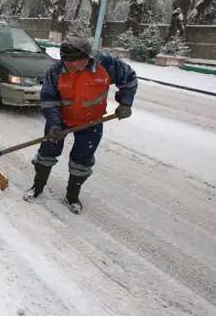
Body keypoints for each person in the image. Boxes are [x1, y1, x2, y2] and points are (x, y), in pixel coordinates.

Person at [23, 36, 138, 214]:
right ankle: (37, 187)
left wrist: (125, 103)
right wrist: (54, 123)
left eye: (75, 60)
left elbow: (129, 79)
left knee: (82, 159)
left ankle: (72, 195)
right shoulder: (56, 71)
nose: (70, 65)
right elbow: (48, 99)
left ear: (87, 56)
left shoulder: (106, 64)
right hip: (61, 121)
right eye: (66, 60)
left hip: (92, 121)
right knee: (47, 152)